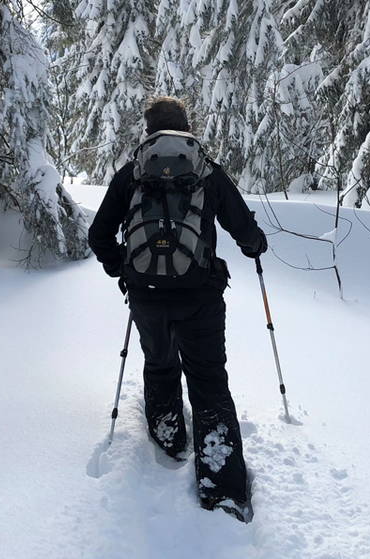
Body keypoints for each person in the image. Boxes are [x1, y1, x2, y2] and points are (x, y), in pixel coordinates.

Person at [87, 96, 267, 523]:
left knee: (160, 365)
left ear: (148, 129)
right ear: (185, 127)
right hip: (201, 297)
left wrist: (123, 271)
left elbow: (98, 235)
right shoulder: (205, 169)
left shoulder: (132, 173)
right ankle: (222, 491)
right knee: (208, 382)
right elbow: (243, 227)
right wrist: (254, 243)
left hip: (147, 297)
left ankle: (168, 438)